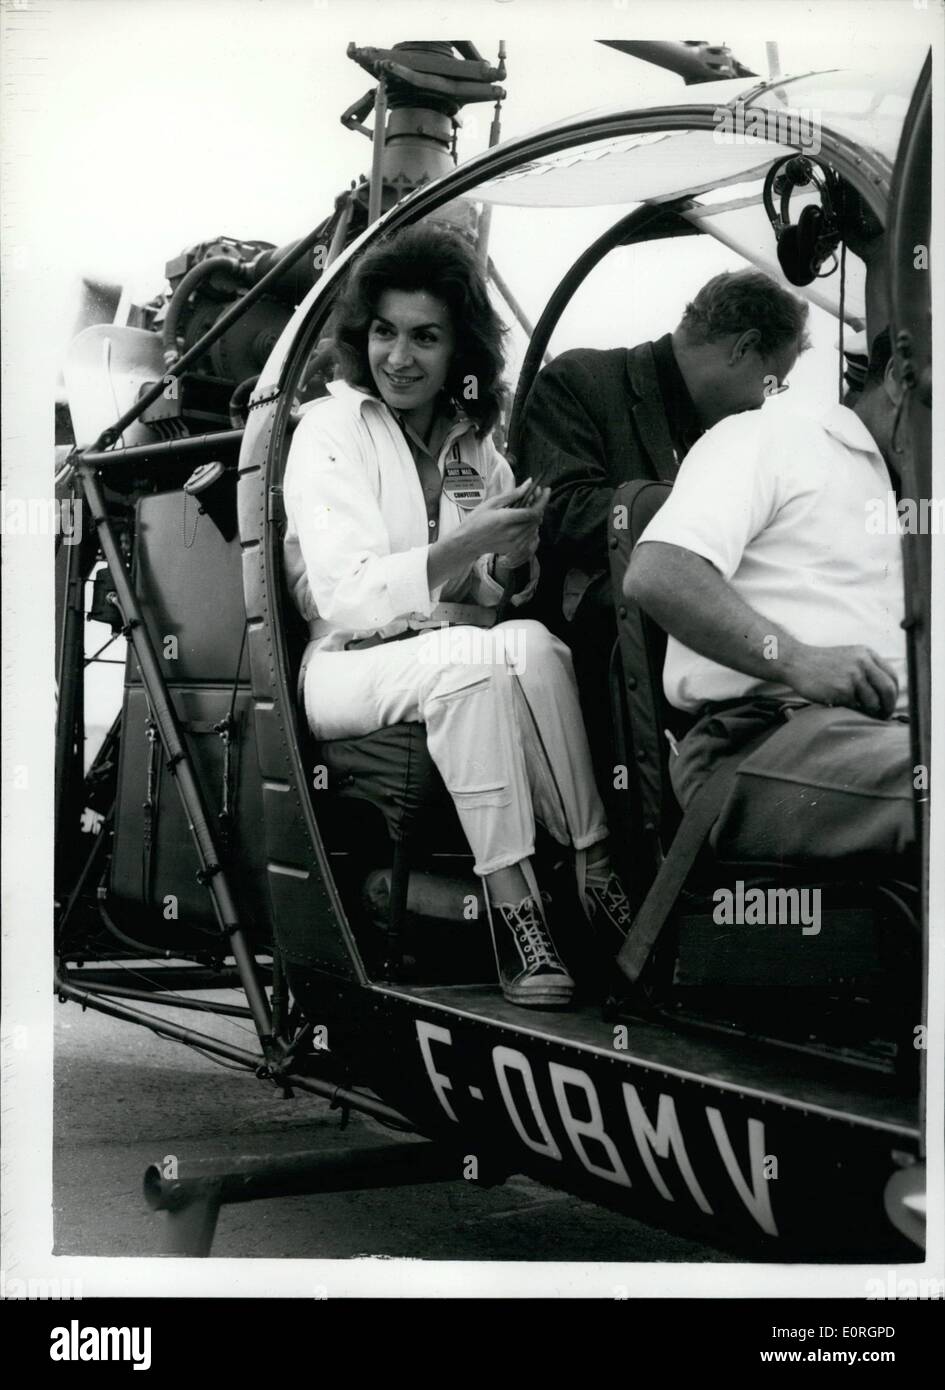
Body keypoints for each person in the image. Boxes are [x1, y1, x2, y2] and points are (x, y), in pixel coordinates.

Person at [283, 224, 633, 1009]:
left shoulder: (473, 444)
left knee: (535, 643)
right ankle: (516, 913)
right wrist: (469, 543)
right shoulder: (330, 429)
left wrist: (507, 560)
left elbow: (483, 590)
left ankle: (594, 871)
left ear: (457, 351)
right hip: (342, 664)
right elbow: (345, 593)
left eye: (424, 338)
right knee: (472, 666)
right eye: (384, 332)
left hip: (436, 645)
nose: (398, 357)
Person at [623, 327, 916, 867]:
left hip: (887, 744)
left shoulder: (921, 505)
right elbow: (660, 571)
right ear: (901, 375)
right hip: (762, 739)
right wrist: (797, 658)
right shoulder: (772, 436)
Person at [516, 269, 810, 792]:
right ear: (743, 348)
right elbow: (561, 511)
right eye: (773, 381)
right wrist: (713, 509)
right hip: (601, 654)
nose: (767, 400)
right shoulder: (579, 379)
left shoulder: (725, 427)